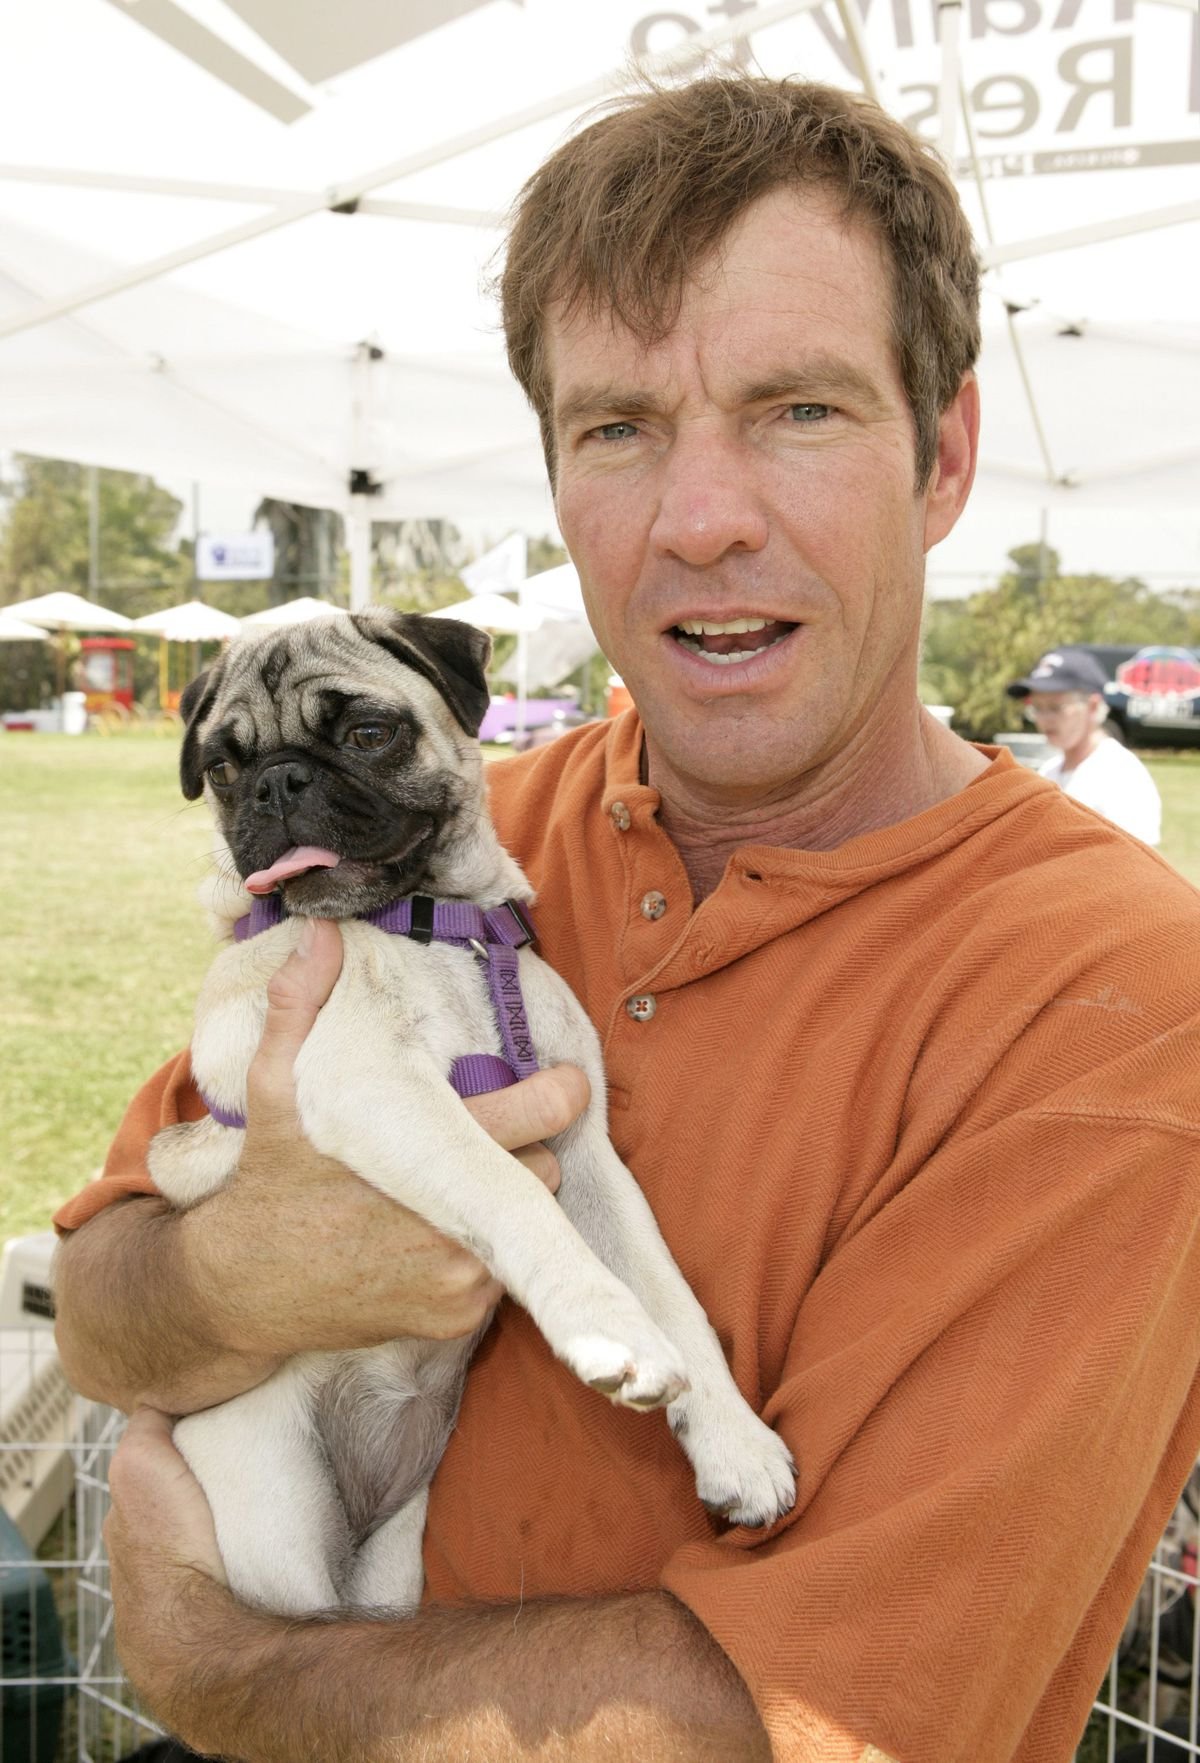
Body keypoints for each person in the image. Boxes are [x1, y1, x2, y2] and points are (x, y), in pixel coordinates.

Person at [52, 76, 1200, 1763]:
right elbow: (97, 1298)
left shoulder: (1113, 993)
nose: (699, 517)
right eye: (618, 428)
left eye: (797, 408)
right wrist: (234, 1273)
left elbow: (801, 1724)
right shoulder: (440, 843)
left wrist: (226, 1664)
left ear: (943, 453)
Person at [1007, 647, 1163, 844]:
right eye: (1037, 708)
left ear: (1092, 706)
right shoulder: (1050, 770)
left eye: (1056, 707)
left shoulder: (1120, 774)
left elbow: (1135, 862)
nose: (1045, 719)